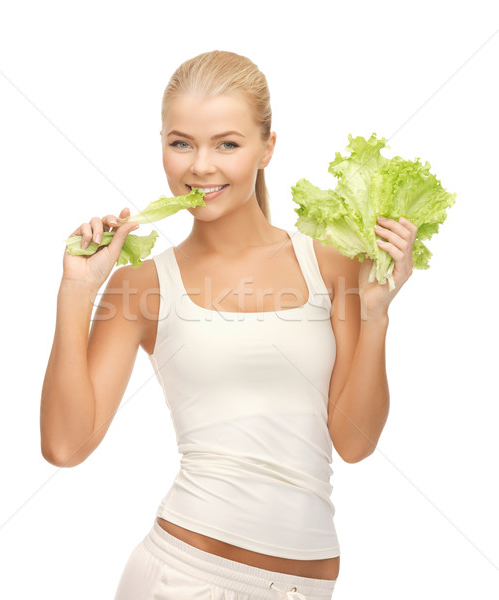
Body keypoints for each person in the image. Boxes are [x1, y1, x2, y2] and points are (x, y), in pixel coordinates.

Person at [40, 50, 417, 600]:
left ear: (268, 147)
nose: (201, 166)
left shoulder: (333, 266)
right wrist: (76, 291)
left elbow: (354, 443)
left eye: (228, 144)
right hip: (182, 577)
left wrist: (377, 313)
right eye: (181, 143)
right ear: (163, 146)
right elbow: (65, 446)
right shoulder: (141, 287)